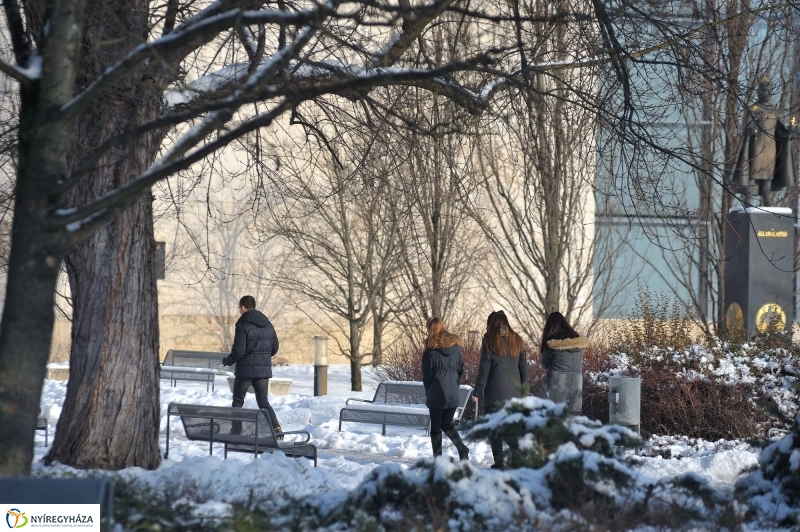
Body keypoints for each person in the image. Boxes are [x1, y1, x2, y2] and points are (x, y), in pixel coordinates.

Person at [471, 310, 528, 469]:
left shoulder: (489, 339)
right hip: (514, 394)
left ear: (493, 324)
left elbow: (484, 368)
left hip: (495, 393)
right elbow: (524, 369)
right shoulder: (517, 339)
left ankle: (500, 463)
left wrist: (477, 390)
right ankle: (517, 459)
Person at [221, 295, 282, 436]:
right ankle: (276, 427)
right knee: (263, 402)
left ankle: (236, 431)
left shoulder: (242, 324)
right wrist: (263, 357)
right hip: (263, 371)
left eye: (239, 308)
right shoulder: (268, 324)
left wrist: (228, 361)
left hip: (245, 371)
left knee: (237, 402)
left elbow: (238, 351)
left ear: (243, 307)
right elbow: (275, 347)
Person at [421, 317, 470, 461]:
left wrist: (428, 391)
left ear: (430, 329)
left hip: (436, 393)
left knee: (436, 428)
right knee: (447, 424)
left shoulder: (429, 352)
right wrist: (453, 383)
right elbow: (460, 369)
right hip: (453, 392)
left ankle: (438, 459)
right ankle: (462, 449)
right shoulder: (455, 349)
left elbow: (427, 375)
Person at [540, 311, 587, 414]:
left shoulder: (552, 344)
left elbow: (544, 364)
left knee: (556, 422)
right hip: (576, 386)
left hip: (557, 388)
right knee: (574, 421)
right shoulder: (578, 343)